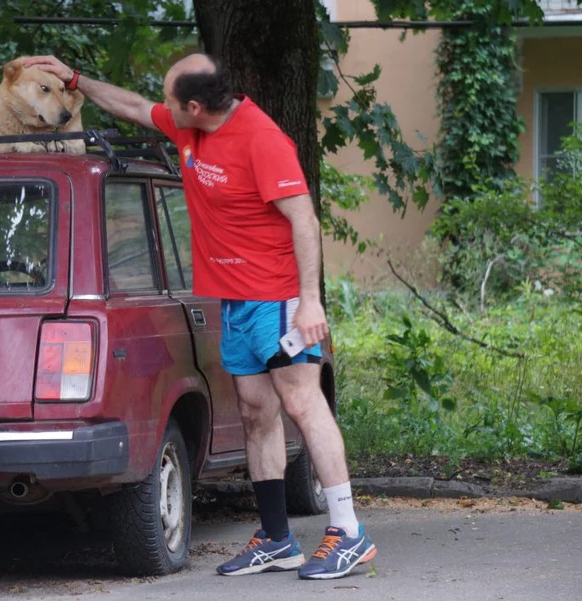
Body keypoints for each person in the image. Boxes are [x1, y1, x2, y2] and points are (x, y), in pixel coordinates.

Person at [21, 52, 376, 580]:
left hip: (276, 297)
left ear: (194, 105)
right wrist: (75, 80)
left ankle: (348, 532)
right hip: (232, 299)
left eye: (169, 98)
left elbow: (304, 217)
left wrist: (310, 299)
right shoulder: (190, 128)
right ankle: (277, 539)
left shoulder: (262, 139)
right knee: (256, 412)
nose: (161, 107)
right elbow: (133, 107)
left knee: (303, 401)